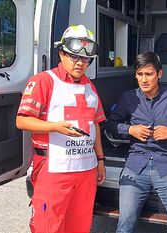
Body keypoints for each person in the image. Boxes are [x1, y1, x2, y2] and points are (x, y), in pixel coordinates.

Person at [16, 24, 106, 233]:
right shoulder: (44, 81)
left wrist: (100, 160)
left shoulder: (90, 87)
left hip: (86, 169)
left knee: (80, 226)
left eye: (85, 59)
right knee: (48, 226)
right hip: (53, 170)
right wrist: (55, 127)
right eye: (74, 57)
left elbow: (95, 126)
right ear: (61, 54)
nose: (80, 63)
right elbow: (22, 120)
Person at [106, 51, 167, 233]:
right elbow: (111, 125)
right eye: (139, 74)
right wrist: (129, 129)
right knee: (125, 221)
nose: (144, 80)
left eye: (149, 74)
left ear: (159, 74)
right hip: (136, 165)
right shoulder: (128, 98)